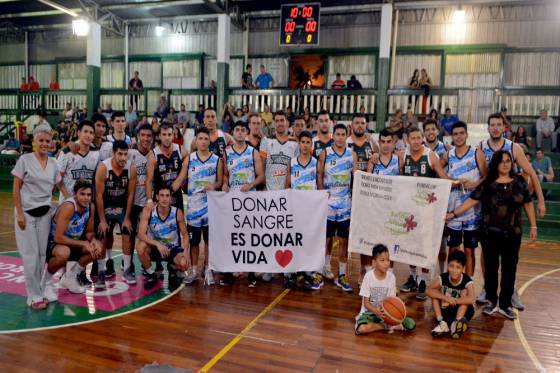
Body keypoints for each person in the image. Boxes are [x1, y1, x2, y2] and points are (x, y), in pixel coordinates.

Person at [447, 150, 537, 320]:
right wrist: (453, 214)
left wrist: (533, 225)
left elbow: (528, 204)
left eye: (508, 160)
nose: (505, 163)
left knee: (510, 269)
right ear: (496, 164)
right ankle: (491, 302)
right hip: (490, 234)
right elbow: (472, 200)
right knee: (491, 268)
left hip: (513, 234)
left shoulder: (519, 181)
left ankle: (505, 305)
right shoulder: (488, 183)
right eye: (502, 161)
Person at [477, 113, 546, 309]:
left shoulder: (513, 147)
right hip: (490, 209)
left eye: (499, 124)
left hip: (511, 212)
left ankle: (511, 290)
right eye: (493, 125)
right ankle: (486, 287)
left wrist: (540, 200)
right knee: (486, 252)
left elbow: (531, 173)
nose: (496, 128)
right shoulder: (481, 148)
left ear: (504, 127)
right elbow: (482, 178)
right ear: (488, 127)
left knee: (510, 257)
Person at [12, 124, 68, 309]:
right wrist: (19, 212)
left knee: (42, 255)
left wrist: (72, 201)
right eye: (41, 140)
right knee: (30, 256)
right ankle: (34, 296)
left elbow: (61, 187)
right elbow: (16, 187)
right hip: (26, 213)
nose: (44, 144)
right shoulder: (25, 160)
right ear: (34, 141)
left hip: (45, 213)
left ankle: (40, 290)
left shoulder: (53, 163)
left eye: (47, 140)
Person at [399, 126, 450, 300]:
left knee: (425, 245)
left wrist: (457, 182)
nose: (415, 140)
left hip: (426, 209)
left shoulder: (430, 155)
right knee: (410, 244)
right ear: (407, 139)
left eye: (417, 138)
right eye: (412, 138)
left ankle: (424, 280)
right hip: (409, 209)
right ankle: (413, 276)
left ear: (422, 138)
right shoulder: (402, 155)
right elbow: (396, 180)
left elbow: (443, 178)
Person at [173, 127, 223, 286]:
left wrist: (214, 186)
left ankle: (208, 270)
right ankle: (194, 271)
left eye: (205, 139)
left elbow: (220, 181)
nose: (202, 141)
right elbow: (181, 178)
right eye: (200, 138)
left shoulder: (216, 160)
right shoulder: (189, 159)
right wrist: (166, 191)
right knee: (194, 242)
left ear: (209, 141)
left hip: (210, 208)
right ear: (196, 140)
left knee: (209, 241)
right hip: (194, 209)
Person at [43, 180, 104, 300]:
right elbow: (58, 237)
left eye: (88, 195)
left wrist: (93, 240)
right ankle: (46, 283)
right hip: (53, 244)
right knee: (64, 253)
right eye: (82, 194)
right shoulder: (69, 207)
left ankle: (70, 278)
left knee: (97, 249)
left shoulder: (91, 207)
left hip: (72, 242)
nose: (86, 198)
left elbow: (89, 232)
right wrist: (83, 243)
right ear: (75, 194)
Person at [440, 122, 487, 277]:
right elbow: (437, 170)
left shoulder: (476, 153)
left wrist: (474, 184)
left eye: (461, 133)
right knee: (453, 249)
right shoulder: (448, 155)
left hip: (472, 211)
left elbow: (486, 176)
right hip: (453, 209)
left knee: (469, 250)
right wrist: (452, 181)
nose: (459, 136)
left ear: (467, 135)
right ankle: (450, 283)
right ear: (452, 137)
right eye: (456, 134)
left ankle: (469, 284)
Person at [222, 121, 265, 287]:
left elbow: (261, 176)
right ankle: (229, 271)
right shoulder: (227, 152)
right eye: (237, 130)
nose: (239, 133)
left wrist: (251, 184)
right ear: (233, 132)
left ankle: (251, 273)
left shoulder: (253, 152)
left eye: (242, 130)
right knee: (232, 235)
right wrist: (225, 183)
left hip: (250, 199)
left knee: (250, 237)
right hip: (233, 198)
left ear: (246, 133)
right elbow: (225, 175)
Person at [260, 111, 299, 285]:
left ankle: (288, 270)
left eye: (282, 120)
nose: (279, 123)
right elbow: (261, 166)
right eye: (276, 121)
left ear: (287, 122)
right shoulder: (266, 142)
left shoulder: (294, 145)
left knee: (287, 233)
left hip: (288, 195)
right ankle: (270, 268)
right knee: (270, 233)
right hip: (269, 194)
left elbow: (298, 168)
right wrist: (261, 188)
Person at [318, 123, 357, 292]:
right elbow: (319, 175)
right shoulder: (325, 153)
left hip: (344, 205)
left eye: (343, 134)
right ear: (333, 136)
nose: (340, 137)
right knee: (326, 239)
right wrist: (321, 192)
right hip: (328, 204)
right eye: (338, 134)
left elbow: (356, 175)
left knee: (343, 241)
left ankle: (341, 275)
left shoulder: (351, 154)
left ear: (346, 136)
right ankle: (324, 267)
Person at [95, 140, 137, 287]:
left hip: (122, 205)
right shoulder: (103, 167)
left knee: (127, 231)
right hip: (106, 205)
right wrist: (102, 220)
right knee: (103, 233)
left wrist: (126, 219)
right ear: (113, 153)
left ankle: (126, 269)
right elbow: (98, 196)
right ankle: (102, 270)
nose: (123, 158)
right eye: (120, 154)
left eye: (126, 154)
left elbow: (131, 194)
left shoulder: (131, 168)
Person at [285, 131, 323, 291]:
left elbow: (320, 186)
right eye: (303, 142)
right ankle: (294, 271)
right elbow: (287, 186)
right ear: (299, 144)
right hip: (295, 209)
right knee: (295, 240)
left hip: (311, 211)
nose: (305, 145)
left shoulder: (316, 163)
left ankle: (309, 272)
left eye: (308, 142)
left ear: (311, 145)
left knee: (309, 241)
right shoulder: (291, 163)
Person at [136, 185, 190, 289]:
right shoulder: (148, 211)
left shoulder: (177, 212)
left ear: (171, 198)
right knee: (140, 247)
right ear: (157, 197)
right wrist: (157, 244)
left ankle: (172, 267)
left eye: (167, 196)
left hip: (172, 248)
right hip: (156, 248)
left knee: (184, 264)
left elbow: (185, 235)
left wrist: (186, 252)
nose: (164, 199)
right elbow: (141, 234)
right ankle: (152, 274)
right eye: (162, 195)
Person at [355, 244, 416, 335]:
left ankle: (387, 324)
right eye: (382, 260)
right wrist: (376, 312)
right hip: (369, 313)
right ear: (374, 263)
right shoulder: (368, 276)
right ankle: (386, 326)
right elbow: (366, 304)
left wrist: (397, 308)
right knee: (362, 329)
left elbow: (391, 300)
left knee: (411, 325)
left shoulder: (391, 277)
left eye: (388, 260)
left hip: (386, 313)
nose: (386, 263)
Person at [426, 250, 475, 339]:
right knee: (434, 294)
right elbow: (428, 290)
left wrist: (452, 300)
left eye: (458, 267)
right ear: (447, 265)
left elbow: (471, 299)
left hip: (463, 311)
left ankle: (456, 323)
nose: (454, 270)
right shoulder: (443, 277)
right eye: (451, 266)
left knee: (465, 293)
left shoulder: (467, 280)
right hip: (446, 310)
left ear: (463, 268)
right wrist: (445, 298)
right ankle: (442, 323)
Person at [128, 124, 154, 276]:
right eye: (143, 135)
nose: (145, 138)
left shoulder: (154, 155)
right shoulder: (129, 153)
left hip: (147, 204)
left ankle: (146, 264)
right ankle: (128, 263)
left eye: (148, 135)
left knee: (147, 236)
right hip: (132, 201)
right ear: (138, 136)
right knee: (129, 235)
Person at [146, 122, 187, 211]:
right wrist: (149, 200)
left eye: (169, 134)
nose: (167, 138)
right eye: (164, 134)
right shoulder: (153, 155)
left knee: (179, 223)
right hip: (160, 198)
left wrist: (181, 178)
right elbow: (148, 181)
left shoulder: (180, 150)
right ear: (159, 136)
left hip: (176, 197)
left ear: (173, 135)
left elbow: (188, 160)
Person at [57, 121, 100, 201]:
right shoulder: (66, 152)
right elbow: (58, 178)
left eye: (91, 133)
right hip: (68, 202)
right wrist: (67, 197)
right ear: (78, 133)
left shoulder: (96, 153)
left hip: (86, 203)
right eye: (85, 131)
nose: (88, 135)